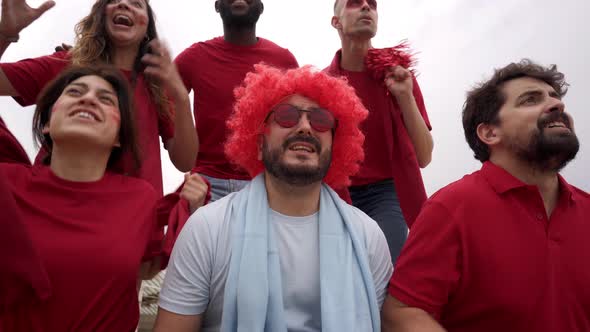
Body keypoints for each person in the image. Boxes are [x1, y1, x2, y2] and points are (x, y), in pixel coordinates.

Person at [152, 64, 392, 332]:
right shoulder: (207, 228)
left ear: (336, 147)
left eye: (321, 120)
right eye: (286, 116)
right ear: (258, 144)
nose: (304, 127)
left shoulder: (368, 237)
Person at [382, 59, 590, 332]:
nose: (557, 105)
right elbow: (401, 313)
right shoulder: (451, 207)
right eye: (530, 100)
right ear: (489, 132)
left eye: (555, 97)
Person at [0, 65, 163, 331]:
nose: (88, 99)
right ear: (47, 126)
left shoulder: (141, 198)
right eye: (74, 91)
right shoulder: (6, 183)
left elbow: (146, 270)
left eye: (106, 99)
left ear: (119, 138)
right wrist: (5, 34)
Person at [0, 0, 198, 196]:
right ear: (100, 16)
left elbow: (185, 161)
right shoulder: (65, 65)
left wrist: (181, 97)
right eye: (113, 1)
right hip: (54, 205)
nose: (123, 4)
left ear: (147, 28)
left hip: (130, 218)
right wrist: (5, 33)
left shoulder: (158, 85)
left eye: (136, 4)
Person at [326, 0, 434, 263]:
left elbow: (424, 157)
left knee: (386, 269)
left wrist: (405, 97)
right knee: (341, 272)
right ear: (336, 22)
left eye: (372, 5)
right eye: (354, 3)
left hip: (386, 192)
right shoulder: (323, 85)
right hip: (335, 193)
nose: (366, 7)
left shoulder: (399, 78)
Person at [175, 0, 298, 201]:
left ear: (260, 7)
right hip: (205, 183)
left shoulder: (283, 60)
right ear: (217, 5)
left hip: (265, 182)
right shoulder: (194, 57)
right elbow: (161, 99)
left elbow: (297, 116)